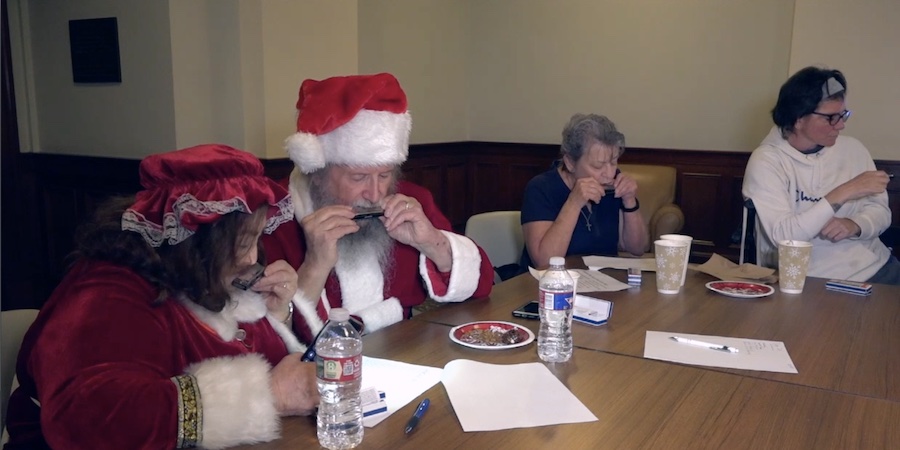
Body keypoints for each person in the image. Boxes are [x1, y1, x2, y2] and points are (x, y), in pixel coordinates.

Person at [5, 144, 319, 449]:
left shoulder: (201, 276)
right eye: (242, 243)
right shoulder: (106, 292)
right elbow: (88, 420)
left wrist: (279, 316)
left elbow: (257, 357)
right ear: (201, 240)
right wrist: (269, 394)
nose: (253, 258)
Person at [262, 73, 493, 343]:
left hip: (404, 347)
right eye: (358, 178)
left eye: (385, 175)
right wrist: (315, 265)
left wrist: (431, 242)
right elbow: (265, 340)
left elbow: (482, 285)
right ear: (317, 173)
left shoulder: (410, 201)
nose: (375, 194)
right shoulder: (273, 216)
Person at [742, 66, 900, 284]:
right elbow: (784, 237)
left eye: (843, 114)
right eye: (831, 117)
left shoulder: (854, 149)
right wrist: (845, 191)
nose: (841, 124)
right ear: (798, 118)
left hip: (876, 268)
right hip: (805, 280)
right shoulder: (767, 161)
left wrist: (856, 225)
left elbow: (880, 211)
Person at [520, 113, 648, 269]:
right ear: (570, 163)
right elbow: (544, 262)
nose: (609, 173)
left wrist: (630, 201)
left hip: (603, 283)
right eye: (597, 166)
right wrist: (573, 203)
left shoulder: (613, 183)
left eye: (613, 162)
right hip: (550, 286)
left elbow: (637, 248)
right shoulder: (540, 188)